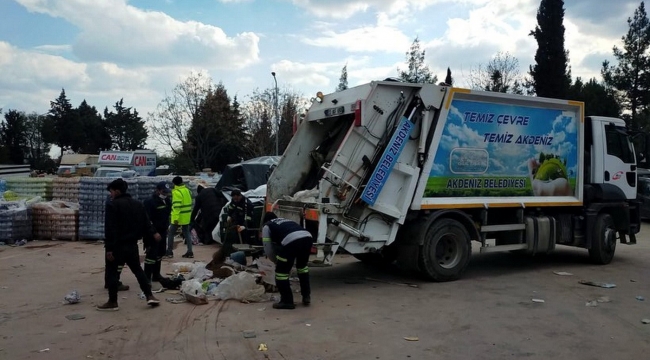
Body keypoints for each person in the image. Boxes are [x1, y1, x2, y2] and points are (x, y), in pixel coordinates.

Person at [98, 179, 161, 311]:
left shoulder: (113, 205)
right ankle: (150, 296)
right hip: (132, 245)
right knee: (138, 271)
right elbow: (146, 222)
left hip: (116, 246)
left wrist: (109, 248)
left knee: (112, 272)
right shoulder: (137, 204)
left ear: (117, 191)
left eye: (111, 192)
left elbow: (110, 228)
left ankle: (112, 301)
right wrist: (153, 233)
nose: (111, 195)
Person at [262, 212, 313, 310]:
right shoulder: (285, 221)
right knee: (302, 267)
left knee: (281, 273)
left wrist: (276, 261)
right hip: (307, 237)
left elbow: (267, 248)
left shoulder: (267, 226)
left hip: (291, 241)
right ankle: (306, 296)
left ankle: (287, 301)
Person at [143, 181, 172, 284]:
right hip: (152, 233)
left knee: (160, 253)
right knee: (151, 255)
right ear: (158, 190)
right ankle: (147, 277)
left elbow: (167, 214)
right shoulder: (150, 202)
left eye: (167, 192)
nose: (165, 194)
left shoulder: (167, 200)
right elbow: (147, 220)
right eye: (164, 192)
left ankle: (156, 274)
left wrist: (167, 226)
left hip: (163, 231)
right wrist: (154, 232)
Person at [104, 193, 129, 292]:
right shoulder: (113, 204)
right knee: (116, 262)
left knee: (112, 263)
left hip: (114, 238)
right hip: (117, 238)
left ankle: (110, 282)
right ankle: (113, 283)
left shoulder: (111, 202)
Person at [166, 176, 193, 258]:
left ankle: (169, 251)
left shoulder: (177, 192)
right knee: (187, 233)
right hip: (187, 215)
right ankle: (190, 251)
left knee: (171, 233)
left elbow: (176, 207)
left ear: (174, 183)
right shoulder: (187, 190)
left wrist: (176, 219)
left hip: (178, 217)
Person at [224, 189, 254, 256]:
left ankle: (247, 252)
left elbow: (249, 217)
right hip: (237, 220)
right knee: (234, 236)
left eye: (236, 199)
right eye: (234, 199)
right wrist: (229, 215)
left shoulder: (247, 204)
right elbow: (231, 207)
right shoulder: (234, 201)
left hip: (245, 222)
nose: (235, 201)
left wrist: (244, 226)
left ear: (240, 196)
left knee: (245, 237)